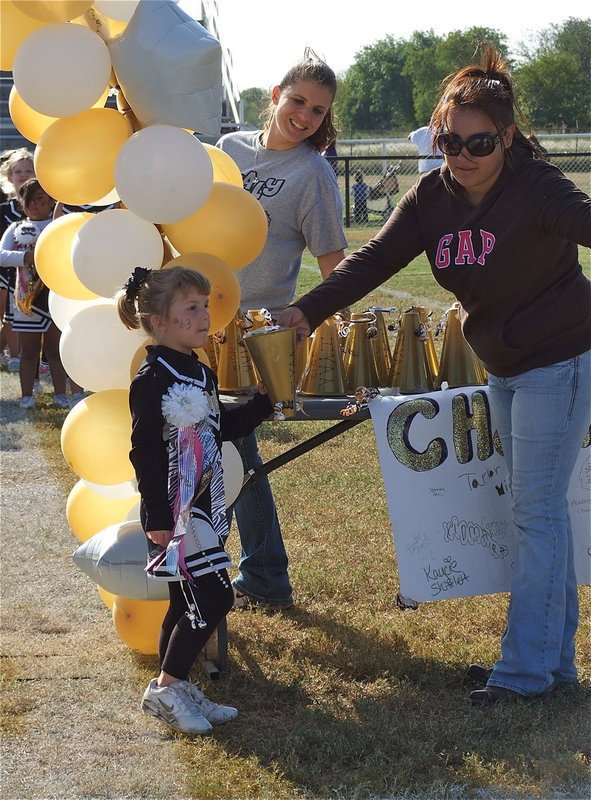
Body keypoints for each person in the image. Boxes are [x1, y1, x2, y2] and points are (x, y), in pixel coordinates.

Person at [279, 45, 591, 707]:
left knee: (534, 517)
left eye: (478, 141)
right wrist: (305, 312)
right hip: (504, 365)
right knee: (540, 517)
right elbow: (371, 261)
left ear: (505, 137)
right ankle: (552, 665)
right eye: (448, 140)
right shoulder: (430, 197)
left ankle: (523, 673)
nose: (462, 154)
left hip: (558, 363)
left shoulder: (535, 187)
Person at [216, 51, 347, 610]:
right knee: (204, 446)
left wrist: (320, 328)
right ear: (274, 95)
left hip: (257, 335)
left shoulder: (312, 173)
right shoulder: (227, 151)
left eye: (317, 111)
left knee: (234, 446)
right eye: (297, 101)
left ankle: (264, 574)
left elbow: (334, 264)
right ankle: (231, 566)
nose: (305, 116)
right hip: (198, 323)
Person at [118, 265, 273, 735]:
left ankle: (178, 687)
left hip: (202, 504)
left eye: (205, 306)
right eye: (191, 308)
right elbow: (143, 450)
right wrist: (160, 517)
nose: (206, 316)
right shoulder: (152, 378)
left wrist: (264, 403)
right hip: (174, 514)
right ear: (160, 320)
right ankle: (165, 688)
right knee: (215, 593)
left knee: (182, 602)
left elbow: (218, 426)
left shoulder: (198, 370)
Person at [0, 179, 75, 409]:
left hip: (55, 295)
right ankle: (26, 395)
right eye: (29, 200)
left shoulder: (59, 226)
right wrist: (25, 258)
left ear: (51, 201)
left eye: (41, 199)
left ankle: (60, 394)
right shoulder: (15, 228)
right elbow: (2, 255)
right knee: (29, 350)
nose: (35, 204)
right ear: (22, 203)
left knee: (55, 349)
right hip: (26, 299)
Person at [0, 148, 35, 371]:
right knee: (5, 312)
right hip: (5, 268)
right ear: (9, 176)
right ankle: (12, 354)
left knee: (23, 313)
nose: (23, 175)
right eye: (18, 171)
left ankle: (18, 354)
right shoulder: (4, 210)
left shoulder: (42, 207)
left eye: (28, 170)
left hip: (31, 270)